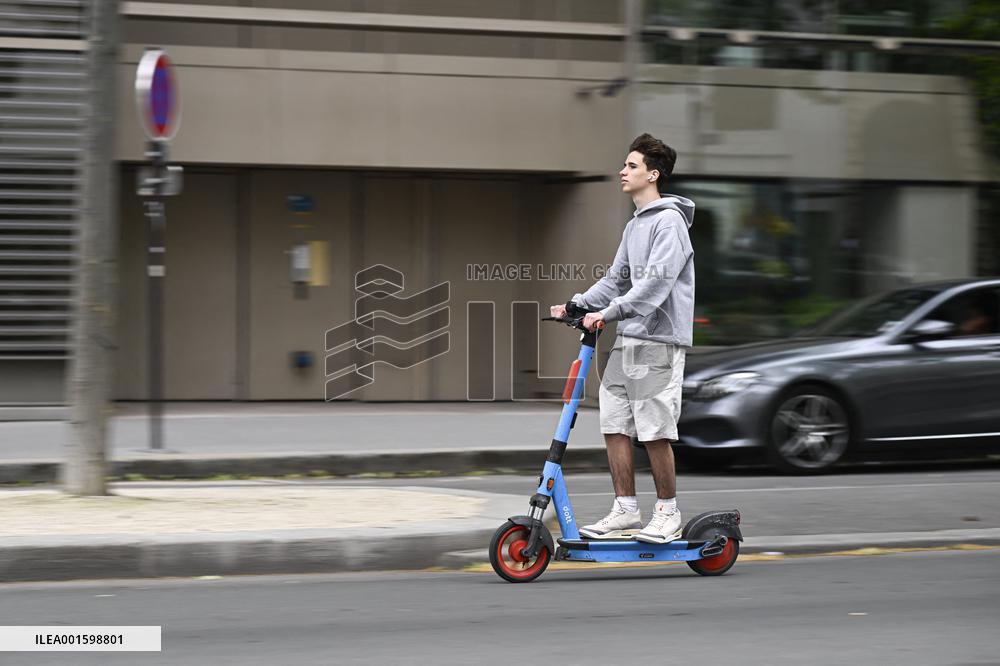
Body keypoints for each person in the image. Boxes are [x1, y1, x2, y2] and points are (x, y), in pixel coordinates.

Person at [550, 133, 695, 543]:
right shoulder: (635, 226)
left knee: (654, 429)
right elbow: (617, 280)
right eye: (625, 165)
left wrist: (608, 313)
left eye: (631, 166)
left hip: (659, 340)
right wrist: (577, 304)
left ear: (653, 174)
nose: (622, 171)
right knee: (613, 422)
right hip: (629, 338)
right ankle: (626, 509)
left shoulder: (669, 223)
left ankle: (668, 512)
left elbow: (654, 286)